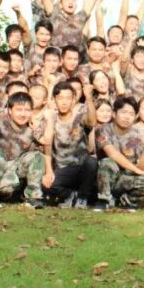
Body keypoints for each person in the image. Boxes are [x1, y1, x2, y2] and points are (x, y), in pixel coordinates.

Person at [94, 97, 144, 211]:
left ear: (135, 116)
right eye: (124, 112)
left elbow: (142, 167)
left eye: (131, 114)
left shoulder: (137, 135)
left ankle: (126, 201)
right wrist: (135, 170)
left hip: (125, 178)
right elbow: (112, 153)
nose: (127, 117)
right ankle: (103, 200)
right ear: (114, 114)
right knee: (107, 163)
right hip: (106, 178)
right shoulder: (103, 130)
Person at [0, 91, 52, 208]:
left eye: (27, 110)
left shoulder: (32, 126)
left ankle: (33, 197)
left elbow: (46, 141)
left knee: (37, 156)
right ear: (10, 111)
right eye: (19, 110)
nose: (23, 114)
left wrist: (46, 122)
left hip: (15, 167)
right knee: (6, 187)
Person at [44, 80, 98, 208]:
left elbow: (92, 121)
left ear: (74, 99)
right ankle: (70, 195)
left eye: (68, 98)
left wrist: (88, 98)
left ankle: (82, 198)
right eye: (60, 98)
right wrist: (48, 171)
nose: (64, 102)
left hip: (81, 168)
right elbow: (46, 143)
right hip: (62, 169)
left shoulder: (79, 116)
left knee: (91, 162)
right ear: (54, 100)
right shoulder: (51, 118)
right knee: (47, 184)